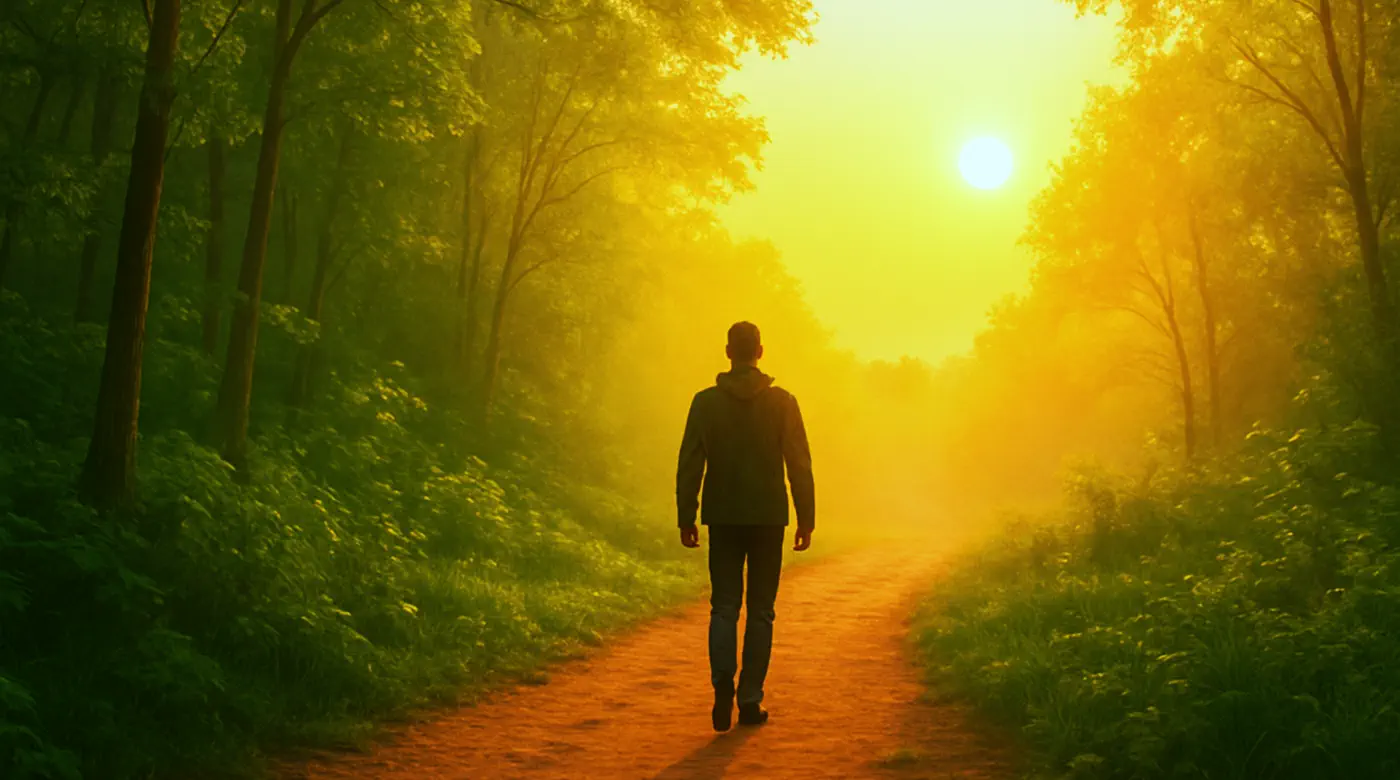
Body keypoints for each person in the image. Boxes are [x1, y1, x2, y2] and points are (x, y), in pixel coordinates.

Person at [675, 321, 815, 732]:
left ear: (727, 352)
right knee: (761, 611)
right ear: (760, 351)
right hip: (769, 517)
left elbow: (690, 463)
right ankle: (750, 699)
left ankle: (722, 686)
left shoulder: (705, 403)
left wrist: (687, 515)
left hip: (723, 517)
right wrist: (806, 517)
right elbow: (799, 464)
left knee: (723, 606)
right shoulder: (783, 402)